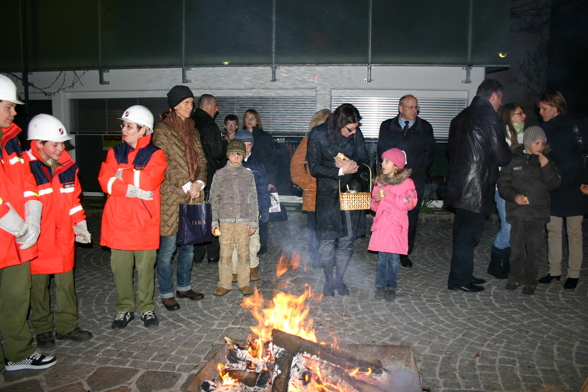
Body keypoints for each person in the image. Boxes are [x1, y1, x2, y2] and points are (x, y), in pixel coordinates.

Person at [0, 74, 55, 371]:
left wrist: (32, 218)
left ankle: (17, 353)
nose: (14, 112)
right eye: (9, 106)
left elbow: (27, 183)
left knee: (17, 298)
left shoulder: (9, 142)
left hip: (15, 239)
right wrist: (15, 223)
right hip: (9, 231)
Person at [25, 114, 93, 347]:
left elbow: (73, 199)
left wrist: (79, 223)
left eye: (62, 143)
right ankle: (43, 328)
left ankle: (67, 326)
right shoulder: (24, 166)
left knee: (66, 285)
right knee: (38, 288)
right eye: (55, 144)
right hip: (37, 238)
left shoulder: (67, 167)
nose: (61, 148)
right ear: (38, 143)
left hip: (62, 236)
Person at [99, 105, 166, 329]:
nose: (124, 130)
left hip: (144, 223)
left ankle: (146, 308)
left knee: (146, 269)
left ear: (143, 129)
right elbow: (104, 181)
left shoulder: (156, 154)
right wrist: (129, 187)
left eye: (129, 126)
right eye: (124, 125)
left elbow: (150, 182)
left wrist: (122, 173)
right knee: (120, 270)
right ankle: (124, 309)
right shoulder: (113, 152)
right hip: (118, 222)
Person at [444, 79, 512, 292]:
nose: (501, 103)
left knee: (462, 234)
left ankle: (464, 274)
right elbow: (502, 156)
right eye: (501, 98)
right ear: (493, 96)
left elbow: (449, 152)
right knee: (469, 236)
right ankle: (459, 281)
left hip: (459, 186)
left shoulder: (460, 116)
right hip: (476, 187)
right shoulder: (490, 117)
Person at [153, 86, 207, 311]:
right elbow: (162, 163)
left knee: (188, 248)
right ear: (174, 105)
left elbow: (202, 160)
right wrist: (187, 185)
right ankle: (167, 292)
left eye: (192, 103)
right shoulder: (162, 129)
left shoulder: (193, 130)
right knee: (167, 249)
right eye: (186, 103)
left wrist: (199, 183)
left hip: (193, 196)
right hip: (172, 196)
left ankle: (184, 287)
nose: (190, 107)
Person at [307, 103, 370, 296]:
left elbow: (364, 158)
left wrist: (353, 164)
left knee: (346, 240)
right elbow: (314, 168)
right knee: (327, 241)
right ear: (339, 124)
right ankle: (328, 280)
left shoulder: (355, 133)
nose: (354, 132)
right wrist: (340, 170)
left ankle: (339, 280)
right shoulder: (317, 134)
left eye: (356, 129)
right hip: (327, 195)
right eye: (350, 129)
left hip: (350, 193)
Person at [497, 126, 561, 295]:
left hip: (538, 214)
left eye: (542, 143)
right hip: (517, 212)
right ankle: (515, 277)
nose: (540, 146)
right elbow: (503, 184)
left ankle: (530, 281)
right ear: (528, 142)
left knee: (534, 249)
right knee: (517, 249)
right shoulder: (513, 160)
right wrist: (514, 196)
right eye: (536, 143)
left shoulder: (545, 161)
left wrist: (546, 167)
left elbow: (554, 184)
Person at [536, 90, 588, 289]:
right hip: (553, 187)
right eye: (540, 108)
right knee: (553, 230)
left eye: (544, 108)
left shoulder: (577, 123)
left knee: (574, 231)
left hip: (576, 186)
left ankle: (573, 273)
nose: (540, 112)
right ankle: (554, 270)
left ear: (557, 107)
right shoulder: (542, 129)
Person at [377, 95, 435, 268]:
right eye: (410, 107)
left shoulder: (425, 127)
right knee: (388, 213)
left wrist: (416, 173)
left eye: (416, 107)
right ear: (400, 108)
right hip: (390, 179)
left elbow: (429, 154)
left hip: (413, 180)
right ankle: (385, 247)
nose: (414, 111)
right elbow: (381, 150)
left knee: (410, 217)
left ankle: (404, 252)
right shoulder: (387, 126)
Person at [210, 139, 258, 296]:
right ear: (228, 155)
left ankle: (244, 283)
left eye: (239, 154)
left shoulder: (248, 174)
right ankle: (224, 283)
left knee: (244, 253)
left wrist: (253, 221)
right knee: (225, 253)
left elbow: (253, 199)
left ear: (243, 155)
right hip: (225, 220)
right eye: (232, 154)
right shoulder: (220, 174)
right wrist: (214, 221)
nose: (236, 158)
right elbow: (214, 198)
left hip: (243, 220)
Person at [369, 148, 417, 301]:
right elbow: (374, 207)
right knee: (382, 258)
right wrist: (376, 200)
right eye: (382, 160)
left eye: (387, 161)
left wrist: (388, 195)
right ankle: (380, 286)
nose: (382, 163)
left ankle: (391, 287)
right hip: (382, 227)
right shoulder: (380, 182)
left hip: (396, 228)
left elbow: (409, 203)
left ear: (396, 165)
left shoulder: (407, 183)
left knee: (394, 260)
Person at [488, 103, 526, 279]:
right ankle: (496, 259)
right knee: (508, 226)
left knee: (518, 227)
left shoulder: (526, 136)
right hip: (503, 188)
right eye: (519, 113)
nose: (523, 116)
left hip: (523, 188)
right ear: (509, 117)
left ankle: (508, 263)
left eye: (523, 113)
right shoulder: (500, 137)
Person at [290, 109, 331, 269]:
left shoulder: (337, 142)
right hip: (313, 195)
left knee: (329, 230)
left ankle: (328, 258)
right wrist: (308, 184)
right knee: (314, 231)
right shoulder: (307, 141)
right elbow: (295, 166)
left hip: (332, 195)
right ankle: (315, 260)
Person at [232, 130, 270, 281]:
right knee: (236, 243)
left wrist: (264, 209)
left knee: (254, 241)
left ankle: (253, 267)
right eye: (243, 145)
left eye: (249, 145)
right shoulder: (231, 164)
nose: (246, 148)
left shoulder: (257, 165)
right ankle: (235, 270)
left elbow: (263, 187)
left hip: (253, 210)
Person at [192, 94, 224, 264]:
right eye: (216, 106)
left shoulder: (189, 122)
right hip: (209, 178)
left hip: (191, 179)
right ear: (207, 106)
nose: (217, 109)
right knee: (211, 216)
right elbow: (216, 152)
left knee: (196, 217)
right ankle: (212, 253)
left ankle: (196, 254)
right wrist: (224, 144)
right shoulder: (209, 125)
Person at [242, 109, 278, 255]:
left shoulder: (265, 137)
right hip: (245, 178)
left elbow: (272, 160)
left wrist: (271, 180)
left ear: (257, 120)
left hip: (261, 177)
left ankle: (261, 245)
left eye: (252, 118)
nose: (250, 120)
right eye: (247, 118)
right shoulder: (240, 137)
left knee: (262, 210)